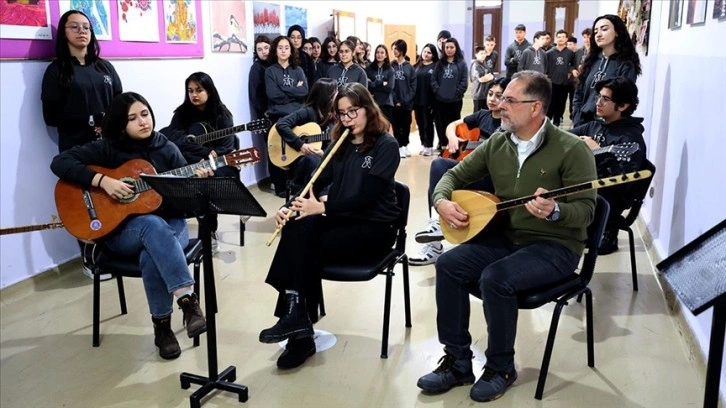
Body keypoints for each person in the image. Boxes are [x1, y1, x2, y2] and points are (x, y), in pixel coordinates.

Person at [416, 71, 597, 402]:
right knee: (449, 264)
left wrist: (556, 210)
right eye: (501, 99)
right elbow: (452, 174)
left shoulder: (571, 149)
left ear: (535, 108)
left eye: (510, 100)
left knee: (495, 278)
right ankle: (457, 361)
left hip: (555, 246)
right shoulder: (498, 143)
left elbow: (587, 211)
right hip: (509, 237)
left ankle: (501, 367)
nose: (499, 106)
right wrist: (441, 202)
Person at [50, 92, 211, 360]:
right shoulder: (109, 148)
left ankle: (163, 329)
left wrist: (197, 180)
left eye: (145, 114)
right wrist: (104, 181)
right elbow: (60, 162)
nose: (142, 122)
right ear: (120, 124)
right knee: (150, 224)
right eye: (132, 118)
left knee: (153, 249)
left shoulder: (167, 148)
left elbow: (188, 203)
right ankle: (188, 302)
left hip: (171, 225)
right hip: (122, 232)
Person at [259, 83, 400, 369]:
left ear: (368, 109)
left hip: (375, 229)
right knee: (297, 228)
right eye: (341, 114)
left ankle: (298, 329)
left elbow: (366, 198)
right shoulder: (342, 143)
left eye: (353, 111)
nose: (347, 119)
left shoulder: (386, 145)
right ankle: (297, 318)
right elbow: (318, 183)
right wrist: (291, 207)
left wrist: (322, 207)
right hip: (343, 220)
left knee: (304, 247)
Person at [42, 9, 123, 281]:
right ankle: (90, 259)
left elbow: (121, 104)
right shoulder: (56, 71)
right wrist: (89, 119)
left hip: (109, 146)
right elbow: (50, 116)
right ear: (64, 33)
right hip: (77, 148)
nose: (81, 31)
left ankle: (117, 252)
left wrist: (111, 123)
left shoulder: (105, 68)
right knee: (85, 203)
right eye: (74, 27)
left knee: (112, 199)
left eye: (86, 26)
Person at [409, 77, 509, 266]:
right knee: (438, 180)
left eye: (499, 96)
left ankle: (437, 225)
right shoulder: (482, 115)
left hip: (492, 178)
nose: (493, 99)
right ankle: (436, 236)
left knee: (439, 166)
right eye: (490, 94)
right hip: (474, 170)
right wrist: (453, 137)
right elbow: (453, 124)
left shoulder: (508, 122)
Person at [160, 72, 238, 252]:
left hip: (218, 162)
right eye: (190, 91)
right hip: (188, 160)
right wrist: (202, 151)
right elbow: (172, 138)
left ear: (209, 91)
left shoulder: (223, 115)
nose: (194, 95)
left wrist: (206, 154)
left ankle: (209, 231)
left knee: (208, 183)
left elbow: (226, 146)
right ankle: (171, 230)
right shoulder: (182, 113)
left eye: (199, 90)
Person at [569, 77, 646, 255]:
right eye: (599, 96)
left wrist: (599, 151)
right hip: (585, 190)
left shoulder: (630, 138)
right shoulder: (596, 126)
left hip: (605, 201)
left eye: (605, 99)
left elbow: (620, 184)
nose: (598, 102)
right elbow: (562, 138)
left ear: (623, 106)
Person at [572, 15, 641, 127]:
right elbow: (579, 93)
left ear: (617, 32)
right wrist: (577, 118)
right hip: (583, 123)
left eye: (604, 29)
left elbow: (623, 98)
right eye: (595, 31)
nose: (598, 34)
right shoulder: (591, 61)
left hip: (608, 126)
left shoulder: (625, 64)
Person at [273, 78, 338, 194]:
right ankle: (322, 198)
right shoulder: (308, 111)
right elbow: (281, 124)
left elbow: (330, 144)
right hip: (300, 160)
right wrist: (300, 144)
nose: (337, 94)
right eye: (335, 91)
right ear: (326, 95)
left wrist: (323, 153)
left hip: (320, 159)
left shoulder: (333, 115)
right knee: (312, 160)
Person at [265, 35, 310, 197]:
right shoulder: (270, 71)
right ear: (275, 51)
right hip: (277, 118)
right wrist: (293, 92)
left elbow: (304, 91)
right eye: (280, 47)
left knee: (296, 151)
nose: (283, 51)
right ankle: (280, 187)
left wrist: (283, 90)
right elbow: (272, 94)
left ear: (291, 51)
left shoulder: (298, 70)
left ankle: (296, 184)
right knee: (276, 152)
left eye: (287, 48)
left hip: (297, 118)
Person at [431, 37, 468, 151]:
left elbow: (464, 82)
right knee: (441, 124)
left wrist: (456, 93)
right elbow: (433, 80)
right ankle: (443, 147)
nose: (449, 49)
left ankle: (454, 147)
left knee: (454, 124)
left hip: (455, 101)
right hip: (440, 100)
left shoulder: (461, 64)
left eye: (451, 47)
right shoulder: (439, 64)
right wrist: (438, 91)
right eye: (446, 47)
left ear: (456, 48)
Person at [390, 39, 417, 158]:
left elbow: (413, 86)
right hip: (394, 103)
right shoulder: (391, 66)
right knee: (396, 125)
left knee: (406, 125)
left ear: (402, 50)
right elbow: (390, 85)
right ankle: (399, 146)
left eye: (396, 49)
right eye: (393, 49)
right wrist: (396, 101)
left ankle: (405, 145)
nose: (394, 51)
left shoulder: (409, 67)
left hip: (407, 103)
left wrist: (406, 100)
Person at [545, 30, 577, 127]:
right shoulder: (549, 53)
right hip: (552, 82)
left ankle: (557, 121)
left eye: (563, 37)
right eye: (559, 37)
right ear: (556, 38)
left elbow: (573, 65)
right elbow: (546, 67)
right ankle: (548, 120)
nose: (561, 39)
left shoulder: (570, 53)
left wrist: (571, 71)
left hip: (564, 82)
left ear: (566, 39)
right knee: (551, 102)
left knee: (561, 103)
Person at [413, 43, 439, 156]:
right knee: (420, 123)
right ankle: (423, 144)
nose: (426, 54)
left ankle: (429, 146)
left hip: (429, 100)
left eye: (429, 52)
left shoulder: (436, 66)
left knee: (428, 123)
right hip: (417, 100)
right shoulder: (417, 66)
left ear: (433, 55)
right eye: (425, 51)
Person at [365, 44, 395, 127]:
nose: (379, 54)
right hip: (373, 102)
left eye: (382, 53)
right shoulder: (369, 68)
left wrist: (374, 83)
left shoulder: (390, 70)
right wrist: (382, 83)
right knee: (373, 128)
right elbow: (367, 85)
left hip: (386, 103)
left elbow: (389, 87)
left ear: (386, 55)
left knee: (385, 128)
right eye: (377, 52)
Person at [470, 39, 497, 112]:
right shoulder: (476, 65)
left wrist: (489, 77)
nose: (483, 55)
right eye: (481, 53)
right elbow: (481, 79)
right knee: (477, 113)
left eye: (484, 53)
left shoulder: (484, 63)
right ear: (476, 55)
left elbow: (492, 76)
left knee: (486, 113)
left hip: (485, 93)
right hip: (478, 94)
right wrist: (488, 77)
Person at [248, 35, 271, 120]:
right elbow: (255, 94)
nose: (264, 52)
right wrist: (265, 111)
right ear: (256, 52)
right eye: (259, 50)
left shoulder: (274, 64)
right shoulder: (256, 67)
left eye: (266, 48)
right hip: (264, 114)